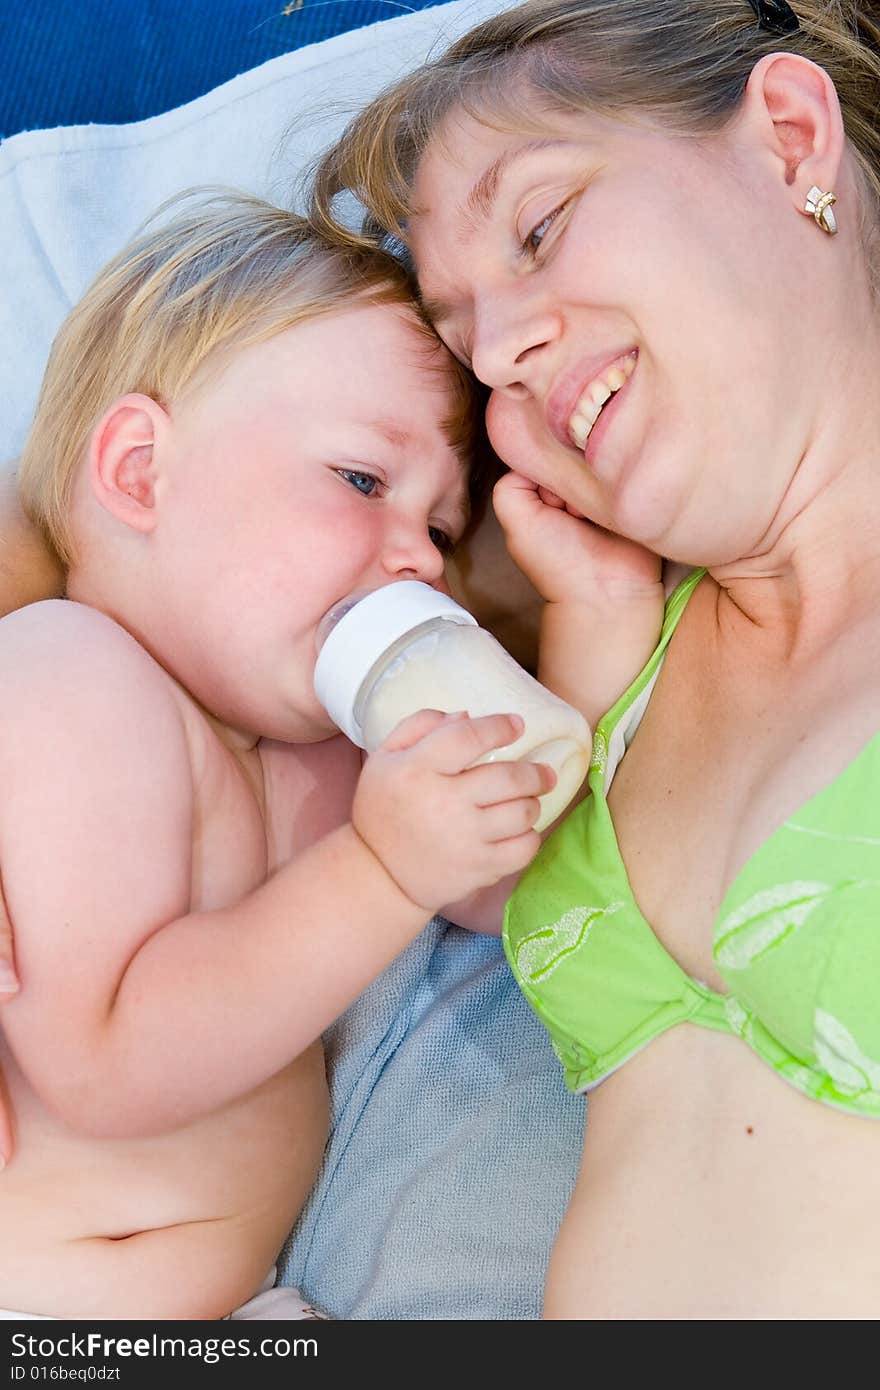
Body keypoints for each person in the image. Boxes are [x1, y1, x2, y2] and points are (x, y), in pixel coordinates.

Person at [306, 0, 880, 1317]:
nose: (502, 349)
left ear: (791, 138)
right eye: (468, 345)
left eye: (542, 227)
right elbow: (165, 519)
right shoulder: (595, 645)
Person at [0, 189, 582, 1321]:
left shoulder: (316, 752)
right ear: (137, 472)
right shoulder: (68, 678)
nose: (416, 555)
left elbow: (511, 888)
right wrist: (380, 870)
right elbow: (105, 1057)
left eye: (442, 529)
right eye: (363, 481)